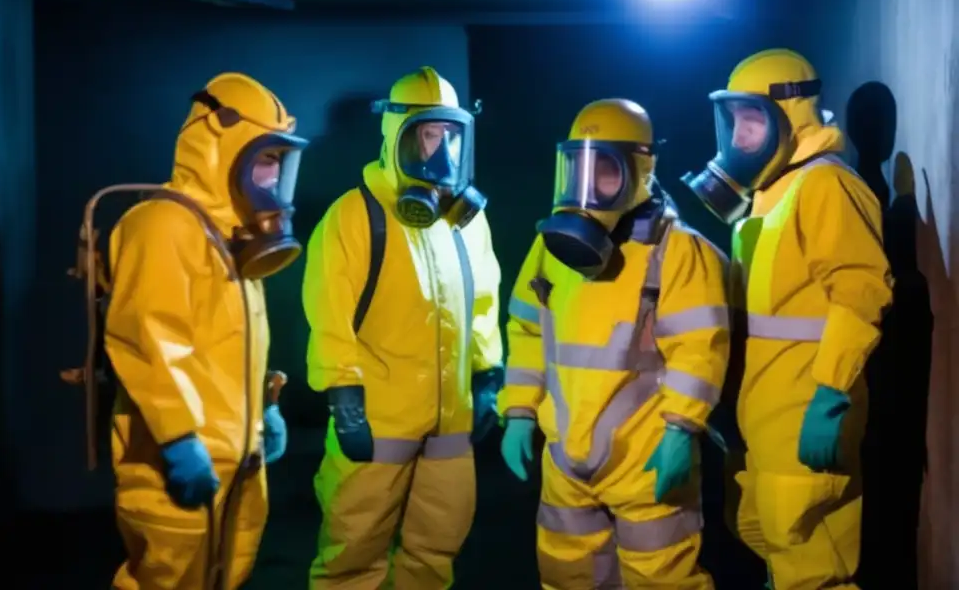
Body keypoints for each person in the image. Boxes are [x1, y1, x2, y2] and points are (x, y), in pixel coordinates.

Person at [682, 49, 893, 589]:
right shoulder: (771, 191)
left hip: (807, 410)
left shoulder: (826, 185)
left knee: (811, 565)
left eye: (752, 120)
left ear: (791, 116)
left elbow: (862, 290)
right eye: (733, 122)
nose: (739, 137)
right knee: (762, 532)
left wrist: (832, 392)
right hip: (764, 418)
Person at [499, 98, 730, 589]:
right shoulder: (549, 250)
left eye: (605, 172)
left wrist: (681, 431)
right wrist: (519, 412)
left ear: (641, 169)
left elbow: (700, 347)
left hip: (646, 458)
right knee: (567, 577)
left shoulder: (677, 251)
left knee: (663, 580)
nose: (587, 188)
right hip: (564, 459)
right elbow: (526, 331)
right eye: (577, 169)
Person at [104, 72, 306, 589]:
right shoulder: (163, 225)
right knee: (165, 577)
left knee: (225, 575)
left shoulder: (229, 236)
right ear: (223, 148)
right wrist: (177, 439)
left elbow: (235, 343)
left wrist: (266, 406)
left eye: (279, 164)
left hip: (239, 455)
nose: (272, 177)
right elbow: (148, 339)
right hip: (179, 458)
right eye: (265, 159)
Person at [304, 66, 502, 589]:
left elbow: (482, 301)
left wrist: (487, 373)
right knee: (352, 557)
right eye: (429, 135)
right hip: (377, 425)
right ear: (398, 136)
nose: (441, 150)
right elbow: (329, 314)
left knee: (435, 553)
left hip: (450, 425)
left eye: (451, 136)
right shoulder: (354, 216)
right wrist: (342, 393)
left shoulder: (465, 221)